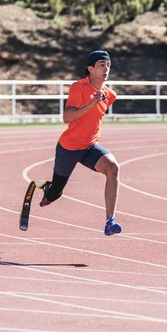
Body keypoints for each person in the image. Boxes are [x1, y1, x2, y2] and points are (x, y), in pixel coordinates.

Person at [39, 50, 121, 236]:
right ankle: (49, 190)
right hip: (68, 148)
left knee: (113, 168)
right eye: (101, 64)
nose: (106, 68)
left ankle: (110, 221)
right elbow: (67, 117)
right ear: (90, 68)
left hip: (90, 147)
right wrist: (91, 104)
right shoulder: (78, 87)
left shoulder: (110, 95)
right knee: (53, 196)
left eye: (108, 65)